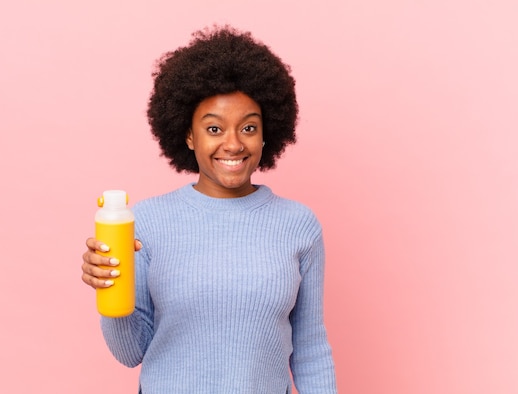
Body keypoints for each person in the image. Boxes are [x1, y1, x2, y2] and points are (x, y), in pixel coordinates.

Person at [81, 25, 338, 394]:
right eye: (214, 129)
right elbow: (129, 352)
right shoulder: (146, 223)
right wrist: (109, 290)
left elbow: (310, 346)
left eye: (248, 127)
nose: (233, 144)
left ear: (267, 133)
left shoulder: (298, 225)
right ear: (189, 136)